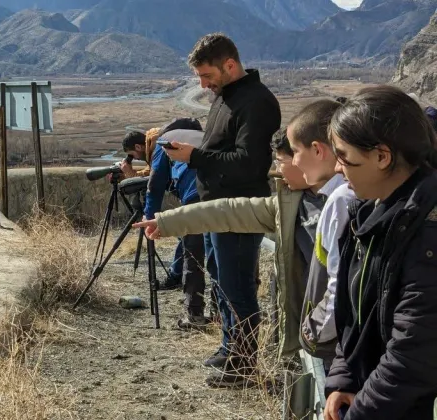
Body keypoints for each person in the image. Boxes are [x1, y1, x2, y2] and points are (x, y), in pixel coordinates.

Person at [162, 32, 281, 387]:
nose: (202, 84)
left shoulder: (256, 102)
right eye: (199, 78)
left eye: (206, 75)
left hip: (239, 212)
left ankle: (244, 368)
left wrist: (194, 157)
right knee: (222, 281)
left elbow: (248, 163)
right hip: (217, 208)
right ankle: (231, 347)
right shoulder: (226, 97)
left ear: (230, 65)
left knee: (239, 287)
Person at [323, 85, 437, 420]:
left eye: (344, 157)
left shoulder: (427, 233)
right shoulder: (372, 214)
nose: (337, 169)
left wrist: (360, 411)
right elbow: (355, 312)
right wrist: (344, 375)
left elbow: (412, 355)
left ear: (382, 156)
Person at [286, 99, 356, 367]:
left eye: (295, 151)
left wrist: (311, 332)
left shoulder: (341, 200)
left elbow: (338, 285)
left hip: (338, 346)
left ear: (317, 149)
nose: (293, 161)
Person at [143, 119, 210, 328]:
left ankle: (194, 314)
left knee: (193, 258)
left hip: (193, 201)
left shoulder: (166, 143)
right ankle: (220, 312)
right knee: (218, 258)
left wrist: (149, 217)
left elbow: (155, 184)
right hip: (220, 198)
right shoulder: (208, 139)